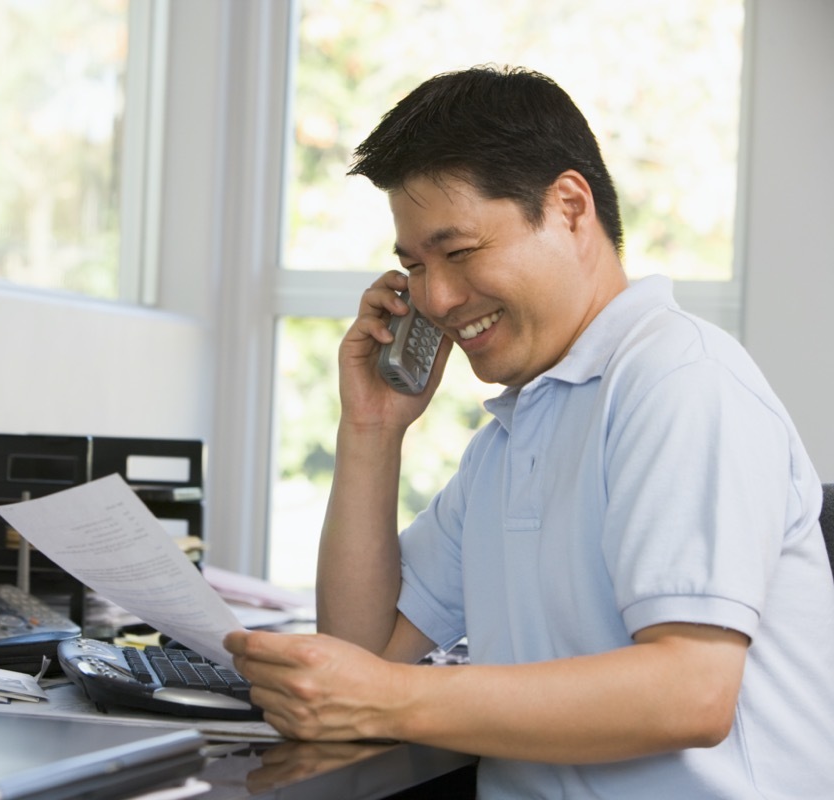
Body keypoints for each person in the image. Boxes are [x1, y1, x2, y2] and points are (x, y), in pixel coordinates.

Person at [223, 66, 834, 797]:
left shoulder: (680, 380)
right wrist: (371, 432)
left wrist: (389, 697)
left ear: (570, 209)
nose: (437, 298)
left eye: (459, 253)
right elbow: (360, 651)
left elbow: (691, 692)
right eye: (413, 266)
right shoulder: (511, 440)